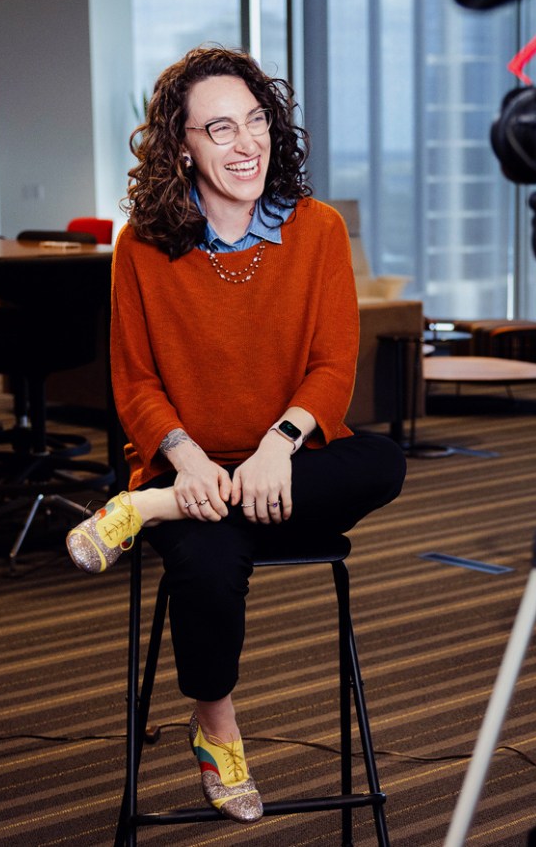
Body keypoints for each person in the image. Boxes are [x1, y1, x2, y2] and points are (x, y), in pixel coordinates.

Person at [64, 46, 407, 824]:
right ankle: (216, 728)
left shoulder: (318, 231)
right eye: (220, 128)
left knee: (383, 461)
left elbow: (332, 364)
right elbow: (135, 383)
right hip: (185, 465)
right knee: (212, 566)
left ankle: (140, 513)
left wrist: (278, 445)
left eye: (256, 121)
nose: (246, 143)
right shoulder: (142, 246)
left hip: (287, 466)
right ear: (181, 144)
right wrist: (183, 459)